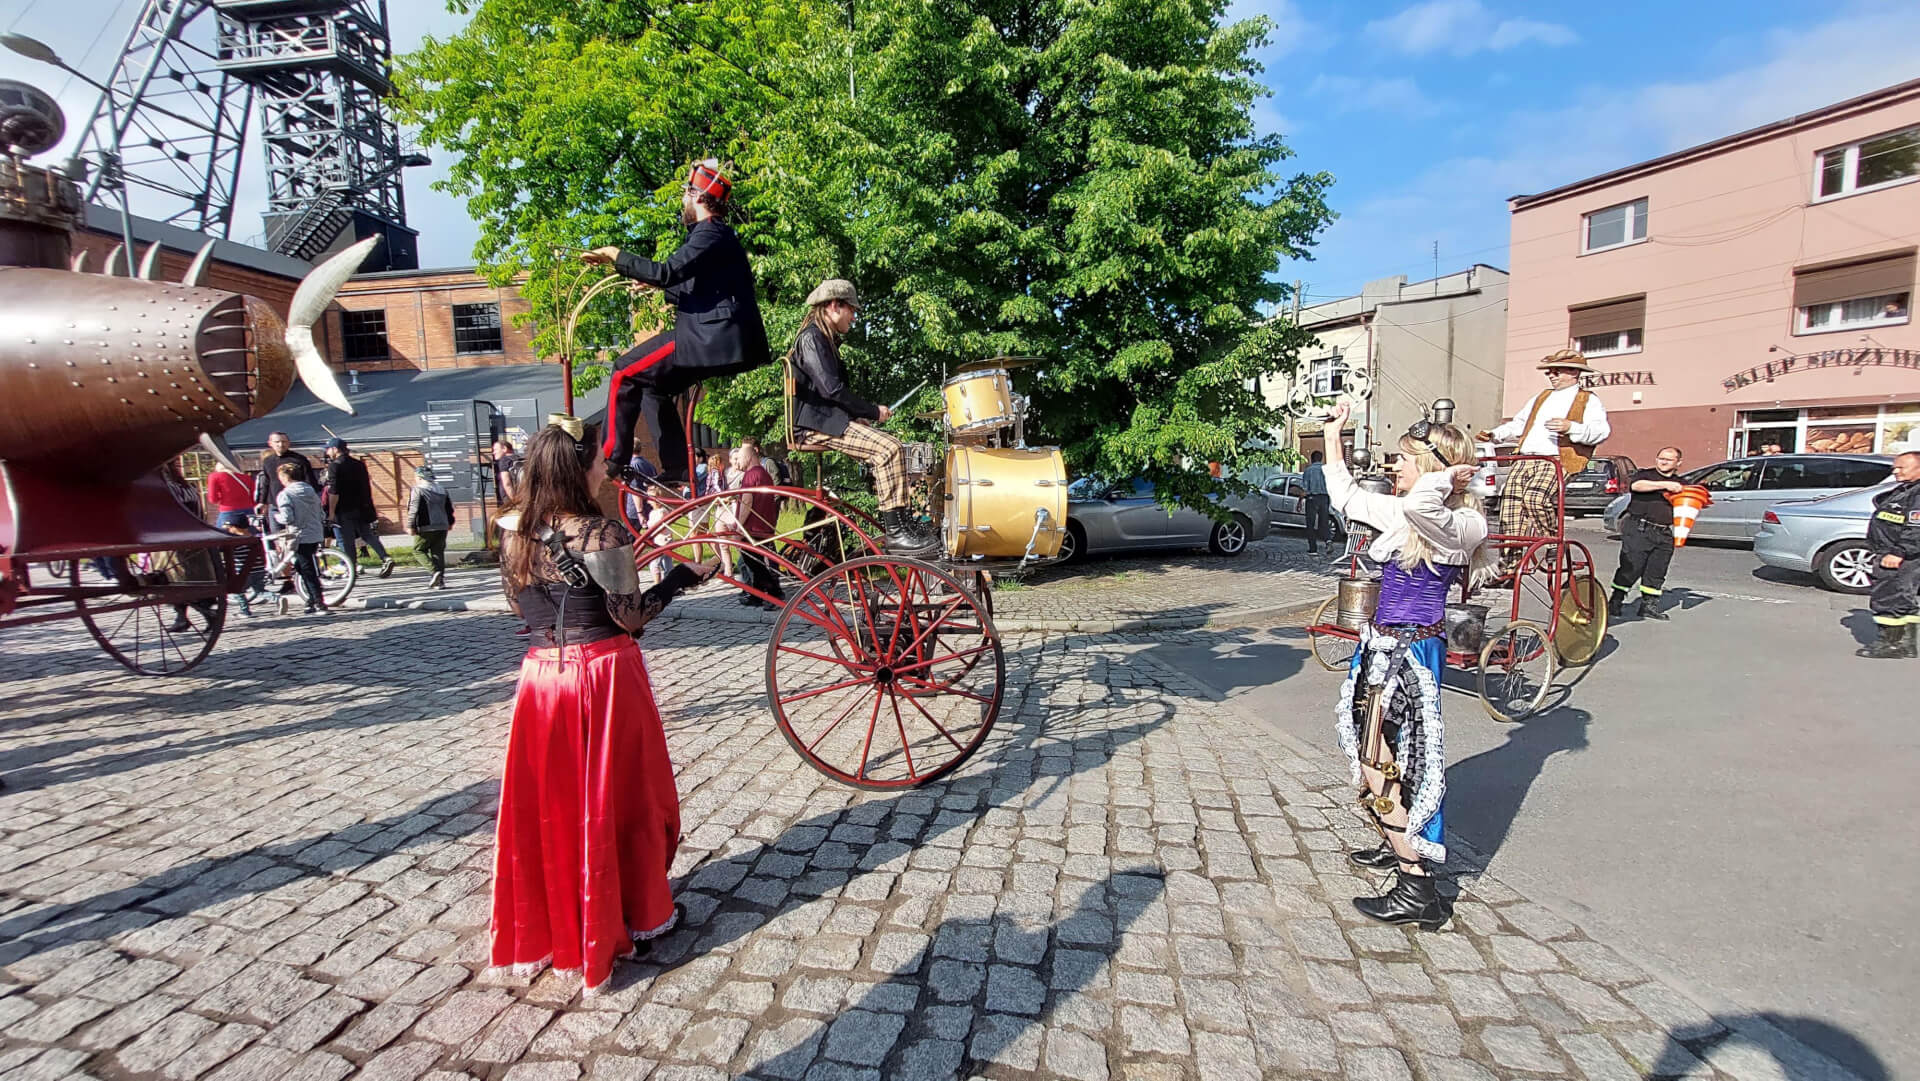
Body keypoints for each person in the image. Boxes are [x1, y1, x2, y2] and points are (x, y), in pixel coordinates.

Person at [491, 419, 718, 991]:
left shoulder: (512, 530)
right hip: (604, 675)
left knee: (553, 805)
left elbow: (521, 611)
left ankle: (556, 923)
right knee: (624, 796)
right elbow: (632, 616)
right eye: (598, 460)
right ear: (578, 467)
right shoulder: (603, 535)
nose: (605, 469)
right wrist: (679, 580)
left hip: (541, 680)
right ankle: (634, 914)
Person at [1320, 402, 1495, 930]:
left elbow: (1424, 510)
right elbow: (1346, 496)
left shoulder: (1463, 523)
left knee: (1385, 759)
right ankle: (1395, 837)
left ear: (1435, 465)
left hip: (1412, 653)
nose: (1394, 468)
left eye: (1404, 459)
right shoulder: (1410, 508)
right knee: (1380, 750)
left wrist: (1441, 478)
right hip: (1382, 646)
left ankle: (1416, 881)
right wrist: (1333, 435)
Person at [580, 160, 771, 486]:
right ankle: (678, 466)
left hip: (711, 339)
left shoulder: (709, 232)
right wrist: (656, 283)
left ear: (698, 196)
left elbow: (667, 271)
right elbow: (698, 288)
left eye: (686, 192)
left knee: (624, 370)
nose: (683, 199)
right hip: (719, 337)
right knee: (654, 387)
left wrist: (617, 256)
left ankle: (611, 457)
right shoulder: (718, 237)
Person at [787, 278, 935, 555]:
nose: (854, 317)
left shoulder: (822, 339)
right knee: (888, 449)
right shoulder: (812, 338)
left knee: (894, 447)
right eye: (851, 310)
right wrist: (871, 411)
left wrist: (856, 418)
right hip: (814, 424)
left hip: (827, 419)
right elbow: (831, 389)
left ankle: (903, 524)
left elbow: (827, 392)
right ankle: (897, 533)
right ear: (833, 306)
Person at [1479, 350, 1611, 566]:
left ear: (1574, 373)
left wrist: (1571, 428)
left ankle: (1553, 543)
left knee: (1536, 498)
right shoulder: (1541, 397)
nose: (1552, 375)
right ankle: (1510, 565)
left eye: (1557, 371)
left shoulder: (1588, 400)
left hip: (1555, 459)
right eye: (1550, 371)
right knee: (1510, 509)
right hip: (1525, 458)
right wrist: (1495, 435)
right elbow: (1519, 424)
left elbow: (1601, 431)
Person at [1609, 447, 1686, 622]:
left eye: (1669, 459)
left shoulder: (1681, 482)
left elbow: (1691, 501)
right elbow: (1636, 486)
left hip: (1664, 532)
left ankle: (1648, 606)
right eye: (1661, 458)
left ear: (1678, 463)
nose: (1663, 461)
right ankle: (1616, 601)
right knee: (1631, 567)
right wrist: (1664, 485)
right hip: (1639, 528)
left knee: (1657, 570)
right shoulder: (1646, 475)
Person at [1858, 451, 1920, 659]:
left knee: (1889, 598)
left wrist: (1898, 552)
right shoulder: (1907, 489)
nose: (1895, 471)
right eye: (1895, 467)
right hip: (1897, 553)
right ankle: (1907, 644)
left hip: (1899, 556)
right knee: (1904, 598)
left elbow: (1916, 529)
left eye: (1902, 467)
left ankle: (1890, 645)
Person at [325, 438, 396, 579]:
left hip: (343, 509)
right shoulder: (359, 464)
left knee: (346, 540)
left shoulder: (334, 466)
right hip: (362, 507)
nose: (327, 452)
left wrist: (331, 512)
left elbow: (334, 491)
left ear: (335, 449)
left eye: (328, 449)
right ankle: (385, 557)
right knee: (367, 534)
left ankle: (351, 569)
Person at [728, 440, 784, 609]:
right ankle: (756, 595)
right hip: (764, 526)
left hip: (752, 528)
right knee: (756, 562)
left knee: (754, 564)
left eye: (740, 458)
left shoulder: (751, 475)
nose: (738, 462)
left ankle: (774, 594)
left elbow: (747, 501)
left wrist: (738, 527)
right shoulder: (764, 474)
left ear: (749, 456)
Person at [206, 460, 262, 614]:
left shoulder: (215, 476)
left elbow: (212, 499)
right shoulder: (245, 477)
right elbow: (253, 497)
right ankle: (257, 580)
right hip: (249, 512)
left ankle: (232, 582)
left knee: (223, 548)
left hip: (228, 512)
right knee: (251, 546)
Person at [274, 462, 329, 615]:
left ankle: (319, 602)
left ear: (285, 477)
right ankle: (311, 600)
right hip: (316, 533)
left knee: (306, 569)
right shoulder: (310, 491)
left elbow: (287, 518)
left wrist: (275, 516)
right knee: (301, 566)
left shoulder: (285, 495)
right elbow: (321, 513)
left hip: (299, 535)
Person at [407, 465, 458, 589]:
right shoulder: (442, 489)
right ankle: (440, 582)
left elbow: (414, 509)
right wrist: (450, 522)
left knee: (418, 550)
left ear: (419, 477)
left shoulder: (418, 490)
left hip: (426, 526)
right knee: (438, 553)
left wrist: (410, 525)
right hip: (442, 525)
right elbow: (449, 508)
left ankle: (434, 572)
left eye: (415, 477)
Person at [255, 431, 315, 514]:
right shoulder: (268, 461)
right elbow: (266, 482)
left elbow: (310, 482)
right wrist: (263, 502)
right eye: (277, 442)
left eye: (284, 442)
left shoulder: (299, 460)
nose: (281, 444)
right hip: (275, 506)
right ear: (270, 443)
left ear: (289, 443)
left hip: (296, 505)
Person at [1302, 451, 1331, 553]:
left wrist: (1299, 501)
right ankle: (1328, 540)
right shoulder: (1327, 471)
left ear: (1312, 459)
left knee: (1310, 524)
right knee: (1324, 522)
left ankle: (1313, 548)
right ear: (1321, 458)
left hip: (1312, 499)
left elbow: (1305, 489)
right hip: (1324, 498)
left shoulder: (1308, 471)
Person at [493, 439, 521, 504]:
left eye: (496, 449)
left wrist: (515, 501)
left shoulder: (504, 460)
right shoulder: (519, 458)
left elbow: (507, 483)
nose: (494, 452)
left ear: (504, 448)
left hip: (511, 500)